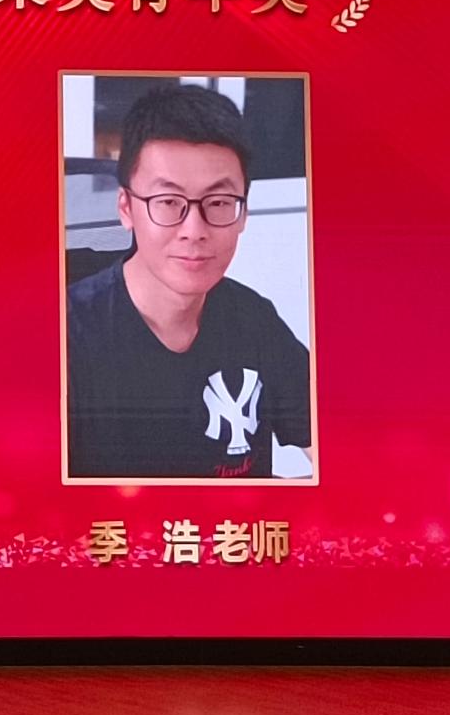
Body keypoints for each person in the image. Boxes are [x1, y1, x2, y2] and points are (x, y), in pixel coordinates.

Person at [67, 84, 311, 480]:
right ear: (126, 208)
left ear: (243, 214)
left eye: (219, 202)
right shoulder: (67, 340)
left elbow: (343, 452)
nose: (194, 231)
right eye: (168, 202)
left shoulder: (255, 321)